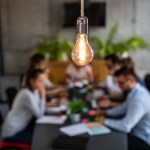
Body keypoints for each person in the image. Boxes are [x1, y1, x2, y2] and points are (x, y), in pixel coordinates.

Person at [99, 67, 150, 150]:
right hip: (135, 132)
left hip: (142, 139)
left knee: (105, 143)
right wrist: (106, 112)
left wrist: (104, 121)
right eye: (118, 83)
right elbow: (123, 108)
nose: (119, 86)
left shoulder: (139, 99)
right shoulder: (135, 91)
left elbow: (126, 126)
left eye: (121, 83)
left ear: (132, 81)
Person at [1, 68, 46, 144]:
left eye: (43, 81)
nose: (42, 85)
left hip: (20, 128)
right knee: (40, 140)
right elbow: (39, 115)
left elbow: (39, 107)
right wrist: (43, 96)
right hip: (12, 133)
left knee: (41, 134)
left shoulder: (34, 91)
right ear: (31, 81)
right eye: (40, 81)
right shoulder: (26, 94)